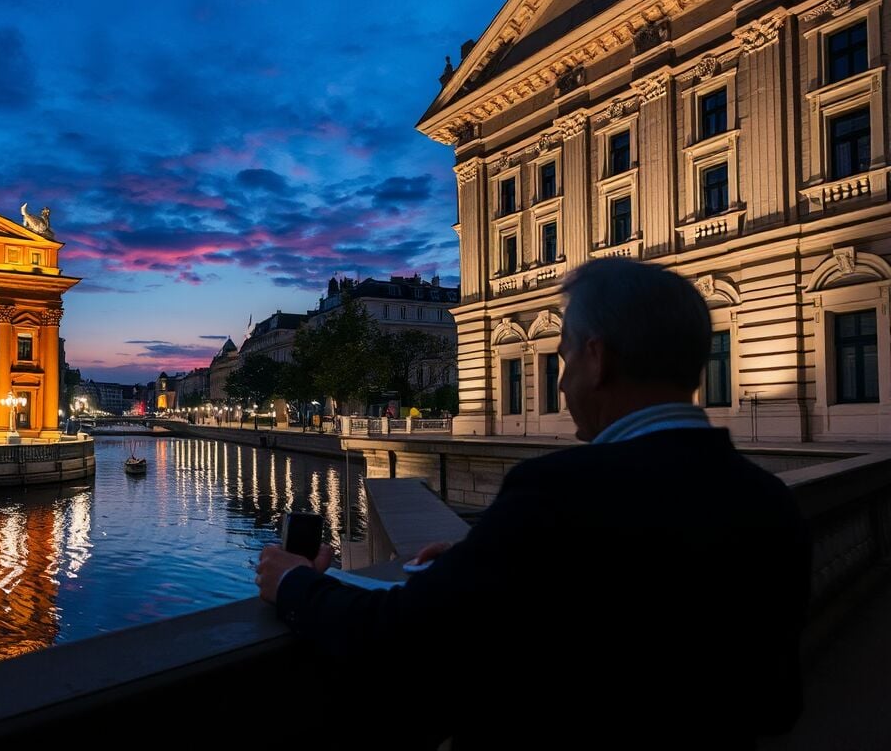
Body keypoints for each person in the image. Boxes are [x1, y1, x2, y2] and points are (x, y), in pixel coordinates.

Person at [255, 258, 810, 749]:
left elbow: (400, 638)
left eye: (564, 360)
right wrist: (492, 563)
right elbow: (776, 703)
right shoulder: (768, 501)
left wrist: (295, 584)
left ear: (596, 360)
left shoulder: (555, 495)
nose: (563, 386)